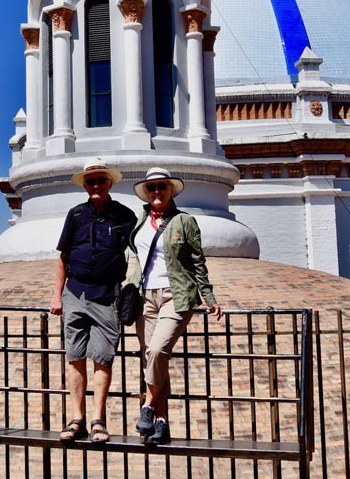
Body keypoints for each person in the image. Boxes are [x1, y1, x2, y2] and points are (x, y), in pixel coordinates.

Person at [127, 166, 222, 445]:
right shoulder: (139, 220)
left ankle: (147, 407)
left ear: (170, 190)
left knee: (157, 350)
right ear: (146, 193)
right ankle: (162, 424)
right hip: (145, 296)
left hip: (175, 295)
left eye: (162, 187)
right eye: (152, 187)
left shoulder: (185, 221)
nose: (157, 191)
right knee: (154, 359)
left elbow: (197, 262)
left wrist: (209, 296)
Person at [49, 157, 136, 444]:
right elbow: (63, 257)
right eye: (91, 181)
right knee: (74, 356)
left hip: (106, 294)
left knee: (102, 357)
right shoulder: (75, 215)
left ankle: (98, 419)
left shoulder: (125, 217)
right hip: (75, 292)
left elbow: (140, 253)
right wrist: (57, 294)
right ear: (85, 185)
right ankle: (77, 418)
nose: (96, 185)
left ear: (110, 183)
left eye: (101, 180)